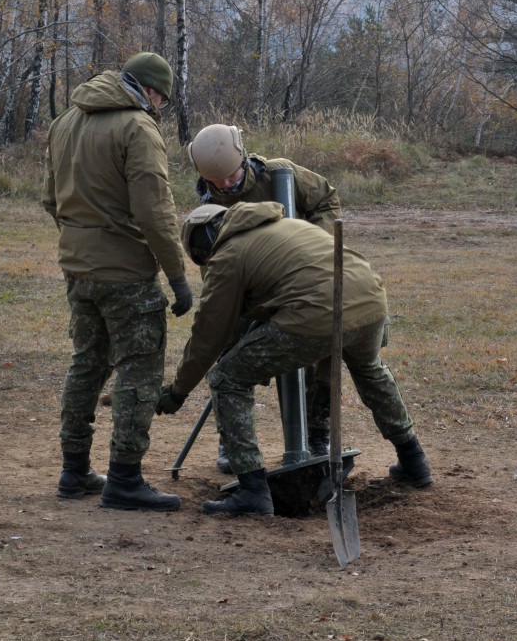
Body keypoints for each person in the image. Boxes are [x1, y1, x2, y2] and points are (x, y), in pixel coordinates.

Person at [157, 200, 433, 517]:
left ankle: (252, 491)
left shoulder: (227, 256)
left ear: (202, 247)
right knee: (370, 371)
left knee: (227, 378)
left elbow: (209, 334)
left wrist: (178, 391)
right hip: (370, 300)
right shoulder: (287, 225)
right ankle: (414, 461)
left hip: (315, 315)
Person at [42, 52, 192, 513]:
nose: (159, 108)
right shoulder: (137, 127)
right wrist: (178, 276)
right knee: (139, 370)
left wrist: (82, 242)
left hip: (77, 268)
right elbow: (154, 210)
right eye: (161, 99)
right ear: (151, 91)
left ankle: (74, 471)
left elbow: (50, 198)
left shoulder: (65, 121)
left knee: (86, 364)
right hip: (126, 273)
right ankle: (125, 478)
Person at [187, 123, 343, 468]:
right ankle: (233, 441)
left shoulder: (280, 174)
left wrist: (313, 245)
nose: (226, 185)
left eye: (232, 176)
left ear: (243, 158)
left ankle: (316, 435)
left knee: (317, 354)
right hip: (246, 286)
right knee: (229, 354)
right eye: (217, 181)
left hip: (300, 281)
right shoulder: (210, 203)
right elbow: (213, 260)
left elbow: (326, 200)